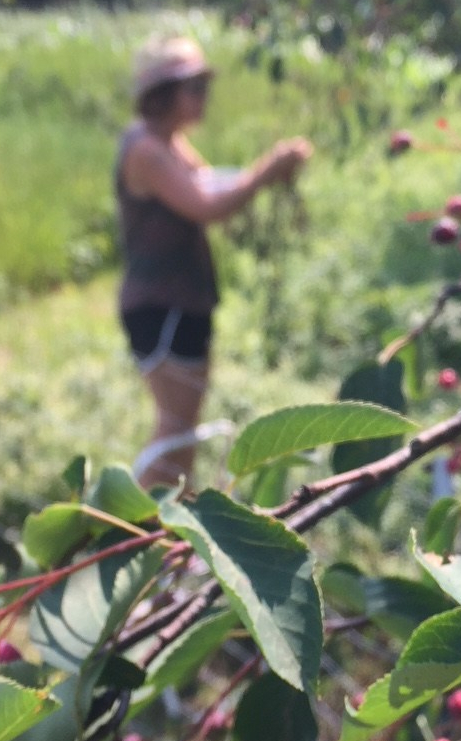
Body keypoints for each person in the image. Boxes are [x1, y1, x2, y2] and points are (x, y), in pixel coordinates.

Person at [117, 35, 312, 488]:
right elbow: (205, 206)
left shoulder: (167, 143)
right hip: (161, 306)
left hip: (180, 302)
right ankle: (141, 523)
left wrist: (265, 173)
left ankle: (172, 522)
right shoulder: (147, 150)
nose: (204, 96)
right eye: (196, 87)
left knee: (183, 430)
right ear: (164, 93)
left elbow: (207, 182)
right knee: (174, 429)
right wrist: (267, 170)